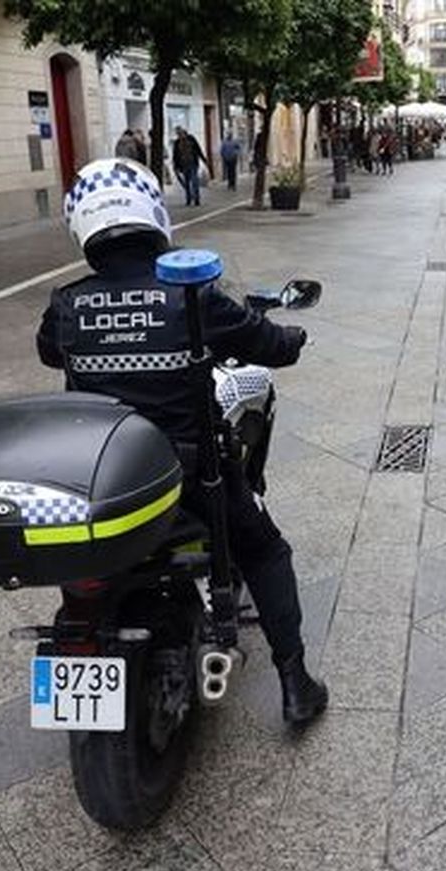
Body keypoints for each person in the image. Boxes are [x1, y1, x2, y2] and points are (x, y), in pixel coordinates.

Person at [37, 158, 328, 724]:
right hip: (193, 479)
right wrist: (291, 335)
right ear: (154, 215)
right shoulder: (192, 297)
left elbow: (51, 352)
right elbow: (272, 346)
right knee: (265, 549)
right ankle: (294, 681)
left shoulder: (66, 304)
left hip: (99, 480)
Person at [171, 126, 208, 207]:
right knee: (187, 183)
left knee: (195, 181)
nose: (179, 135)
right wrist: (175, 166)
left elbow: (198, 150)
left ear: (184, 132)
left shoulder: (191, 139)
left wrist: (204, 160)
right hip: (183, 165)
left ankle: (197, 199)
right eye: (178, 134)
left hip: (193, 164)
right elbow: (175, 155)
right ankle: (188, 199)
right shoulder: (177, 143)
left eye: (180, 133)